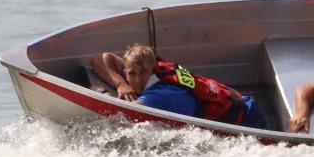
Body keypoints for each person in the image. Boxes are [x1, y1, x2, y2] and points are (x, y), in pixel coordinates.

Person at [93, 43, 266, 128]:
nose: (137, 79)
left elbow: (122, 115)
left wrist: (102, 92)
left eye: (143, 73)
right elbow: (101, 58)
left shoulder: (160, 95)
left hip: (247, 121)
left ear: (153, 69)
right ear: (126, 72)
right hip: (238, 101)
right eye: (132, 74)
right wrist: (120, 83)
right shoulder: (160, 71)